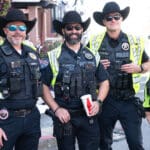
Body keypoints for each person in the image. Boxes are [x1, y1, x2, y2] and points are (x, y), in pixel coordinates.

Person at [42, 10, 109, 150]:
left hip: (89, 117)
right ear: (63, 30)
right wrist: (57, 109)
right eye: (69, 28)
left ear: (82, 30)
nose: (74, 31)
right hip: (65, 118)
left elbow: (104, 82)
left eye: (77, 27)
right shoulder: (53, 56)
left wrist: (99, 101)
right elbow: (43, 86)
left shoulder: (93, 55)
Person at [88, 1, 150, 150]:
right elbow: (84, 68)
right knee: (104, 144)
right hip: (105, 100)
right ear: (103, 21)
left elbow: (148, 63)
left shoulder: (134, 41)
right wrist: (95, 66)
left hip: (128, 100)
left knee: (135, 144)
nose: (113, 20)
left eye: (116, 17)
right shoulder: (94, 42)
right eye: (109, 18)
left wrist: (139, 67)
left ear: (121, 19)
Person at [0, 9, 42, 150]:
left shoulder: (32, 54)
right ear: (5, 31)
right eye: (12, 28)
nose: (17, 31)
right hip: (6, 120)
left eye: (21, 28)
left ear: (26, 32)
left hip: (31, 118)